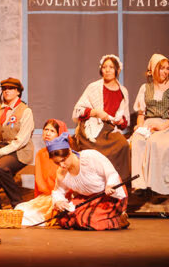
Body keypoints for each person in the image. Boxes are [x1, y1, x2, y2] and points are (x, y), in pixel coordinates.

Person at [47, 132, 129, 230]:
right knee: (63, 218)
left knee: (87, 220)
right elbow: (58, 191)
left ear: (69, 151)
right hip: (87, 198)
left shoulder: (90, 157)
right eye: (57, 163)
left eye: (63, 160)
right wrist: (59, 202)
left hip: (108, 196)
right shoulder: (61, 173)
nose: (62, 165)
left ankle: (119, 219)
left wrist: (110, 185)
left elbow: (111, 173)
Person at [70, 54, 131, 183]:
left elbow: (124, 122)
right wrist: (96, 112)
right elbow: (78, 111)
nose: (107, 70)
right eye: (104, 67)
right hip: (92, 126)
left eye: (111, 67)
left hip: (110, 129)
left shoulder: (123, 91)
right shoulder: (93, 87)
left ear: (117, 70)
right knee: (94, 150)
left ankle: (118, 182)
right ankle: (94, 183)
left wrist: (120, 121)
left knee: (123, 144)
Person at [0, 77, 34, 209]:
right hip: (1, 149)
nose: (7, 91)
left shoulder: (25, 111)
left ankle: (17, 203)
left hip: (20, 150)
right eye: (4, 89)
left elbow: (21, 141)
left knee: (0, 169)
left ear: (18, 91)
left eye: (11, 88)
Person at [15, 118, 68, 226]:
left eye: (52, 131)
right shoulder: (41, 154)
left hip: (60, 197)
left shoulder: (66, 154)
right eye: (46, 130)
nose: (47, 133)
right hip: (45, 197)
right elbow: (39, 181)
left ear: (59, 134)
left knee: (27, 216)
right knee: (19, 209)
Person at [130, 53, 169, 195]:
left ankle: (157, 186)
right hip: (149, 123)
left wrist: (162, 126)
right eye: (162, 68)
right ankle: (139, 184)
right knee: (137, 140)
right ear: (153, 70)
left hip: (166, 124)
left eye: (167, 68)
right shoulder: (145, 88)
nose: (165, 72)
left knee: (157, 143)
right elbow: (141, 114)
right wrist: (140, 126)